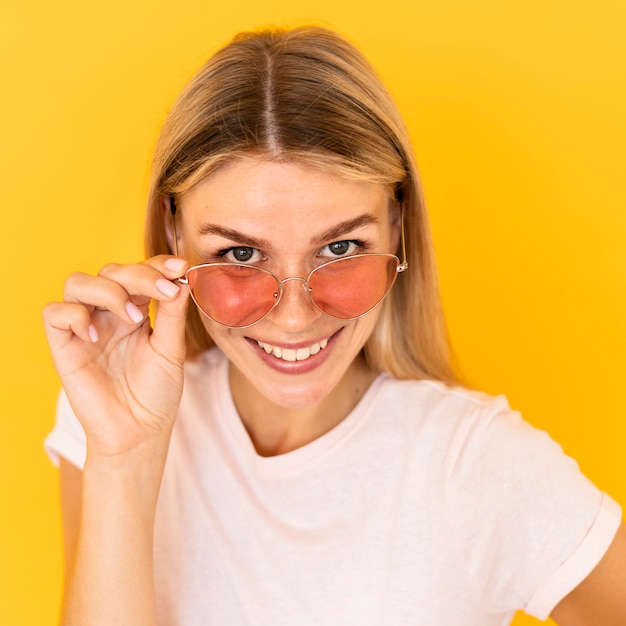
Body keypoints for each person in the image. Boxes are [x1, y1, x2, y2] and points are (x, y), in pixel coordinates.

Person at [42, 26, 625, 626]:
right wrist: (124, 460)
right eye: (241, 255)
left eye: (342, 247)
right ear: (174, 233)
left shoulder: (477, 465)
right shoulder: (115, 411)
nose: (294, 318)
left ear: (396, 227)